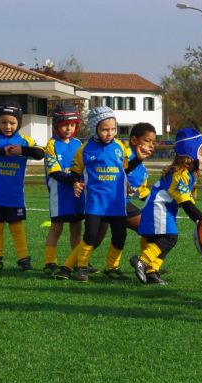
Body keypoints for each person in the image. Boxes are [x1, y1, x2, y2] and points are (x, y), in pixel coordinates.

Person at [53, 106, 145, 282]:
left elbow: (125, 170)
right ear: (95, 128)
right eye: (104, 129)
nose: (109, 133)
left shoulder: (120, 147)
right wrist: (76, 183)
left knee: (120, 236)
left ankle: (112, 267)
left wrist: (138, 159)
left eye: (113, 129)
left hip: (117, 203)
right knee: (90, 236)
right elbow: (74, 172)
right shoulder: (85, 149)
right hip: (95, 203)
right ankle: (81, 267)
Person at [130, 128, 202, 285]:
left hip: (159, 208)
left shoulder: (186, 174)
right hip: (158, 208)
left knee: (160, 239)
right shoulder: (180, 174)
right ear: (191, 153)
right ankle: (141, 260)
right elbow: (186, 203)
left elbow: (187, 199)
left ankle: (151, 272)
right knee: (170, 237)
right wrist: (201, 218)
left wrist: (199, 217)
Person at [0, 101, 45, 272]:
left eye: (12, 123)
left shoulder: (24, 140)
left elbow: (40, 153)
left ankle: (23, 258)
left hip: (15, 196)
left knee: (17, 227)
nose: (8, 126)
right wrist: (2, 151)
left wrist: (22, 151)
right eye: (3, 122)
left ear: (19, 123)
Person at [94, 122, 157, 268]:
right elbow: (114, 171)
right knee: (95, 238)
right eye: (147, 141)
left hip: (121, 204)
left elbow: (141, 193)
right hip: (107, 201)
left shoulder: (142, 169)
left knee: (144, 230)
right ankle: (75, 264)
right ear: (134, 140)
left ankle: (142, 264)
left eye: (153, 142)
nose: (151, 145)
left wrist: (161, 199)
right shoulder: (124, 153)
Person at [42, 103, 85, 276]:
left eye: (72, 125)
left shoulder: (79, 144)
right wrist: (73, 180)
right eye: (65, 125)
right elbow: (56, 172)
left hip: (77, 194)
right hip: (59, 195)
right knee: (56, 228)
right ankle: (50, 261)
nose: (69, 128)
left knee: (76, 228)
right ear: (57, 125)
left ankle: (77, 262)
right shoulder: (51, 145)